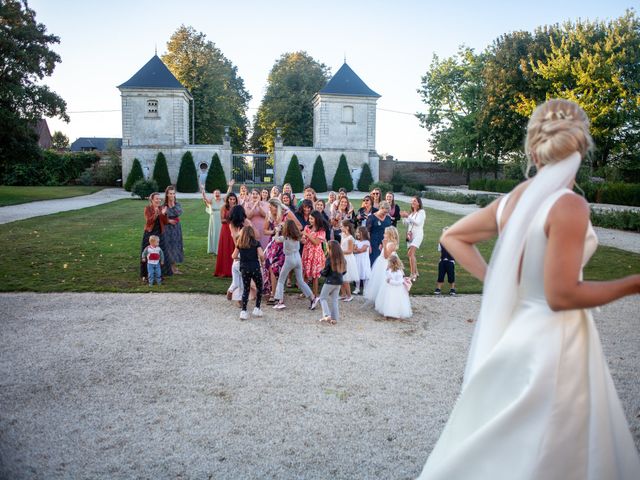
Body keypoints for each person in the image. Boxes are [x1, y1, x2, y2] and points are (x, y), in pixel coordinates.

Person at [417, 99, 640, 479]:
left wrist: (501, 282)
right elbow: (561, 295)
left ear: (533, 147)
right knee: (552, 449)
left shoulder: (514, 199)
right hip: (555, 342)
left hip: (515, 334)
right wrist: (634, 282)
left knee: (505, 443)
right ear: (581, 145)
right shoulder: (569, 205)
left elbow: (453, 237)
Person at [272, 220, 319, 310]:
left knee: (281, 280)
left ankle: (280, 301)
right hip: (297, 258)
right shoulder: (297, 236)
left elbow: (276, 240)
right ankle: (312, 298)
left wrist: (277, 231)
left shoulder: (285, 237)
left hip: (289, 259)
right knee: (301, 281)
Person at [262, 198, 300, 303]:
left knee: (276, 269)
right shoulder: (269, 215)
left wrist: (286, 229)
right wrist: (274, 231)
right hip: (273, 244)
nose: (269, 208)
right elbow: (265, 231)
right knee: (269, 267)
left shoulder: (286, 215)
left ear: (277, 207)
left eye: (271, 207)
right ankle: (273, 292)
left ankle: (276, 293)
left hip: (285, 244)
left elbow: (299, 226)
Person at [232, 226, 264, 320]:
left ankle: (244, 311)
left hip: (244, 268)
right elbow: (261, 254)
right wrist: (262, 260)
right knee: (259, 287)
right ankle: (257, 308)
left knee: (246, 289)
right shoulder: (256, 243)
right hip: (255, 268)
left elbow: (234, 256)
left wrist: (241, 258)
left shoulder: (240, 244)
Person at [363, 225, 399, 304]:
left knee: (382, 280)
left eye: (385, 233)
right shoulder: (389, 243)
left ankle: (383, 300)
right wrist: (382, 247)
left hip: (386, 264)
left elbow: (386, 256)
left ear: (390, 234)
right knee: (378, 280)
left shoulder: (392, 244)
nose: (384, 235)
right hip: (381, 262)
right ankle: (378, 298)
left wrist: (385, 245)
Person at [139, 192, 168, 283]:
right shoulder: (147, 209)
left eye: (160, 199)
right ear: (152, 200)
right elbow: (149, 221)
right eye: (157, 199)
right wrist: (156, 214)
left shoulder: (161, 208)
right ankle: (145, 275)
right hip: (149, 233)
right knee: (147, 254)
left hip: (160, 234)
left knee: (159, 254)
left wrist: (163, 214)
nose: (159, 200)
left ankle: (159, 275)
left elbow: (165, 222)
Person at [374, 254, 412, 319]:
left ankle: (396, 312)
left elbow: (400, 282)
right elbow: (387, 276)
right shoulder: (388, 270)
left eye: (389, 262)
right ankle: (387, 312)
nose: (388, 264)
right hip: (388, 288)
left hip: (396, 289)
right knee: (388, 300)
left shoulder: (399, 272)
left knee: (395, 300)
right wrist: (387, 279)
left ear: (392, 263)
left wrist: (391, 282)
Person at [318, 240, 347, 325]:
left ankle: (327, 315)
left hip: (330, 281)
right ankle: (335, 318)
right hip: (339, 282)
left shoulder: (329, 259)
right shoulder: (342, 259)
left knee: (322, 298)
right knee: (335, 300)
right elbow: (344, 271)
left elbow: (325, 272)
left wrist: (320, 270)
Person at [301, 211, 327, 298]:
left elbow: (316, 242)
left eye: (312, 218)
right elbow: (304, 240)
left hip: (316, 254)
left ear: (317, 219)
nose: (310, 220)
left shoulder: (321, 231)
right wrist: (303, 239)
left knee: (315, 276)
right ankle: (305, 292)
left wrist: (307, 235)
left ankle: (315, 295)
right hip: (307, 252)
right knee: (305, 273)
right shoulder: (307, 227)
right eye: (309, 218)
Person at [400, 196, 426, 281]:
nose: (413, 203)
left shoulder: (421, 212)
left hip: (418, 235)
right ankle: (416, 272)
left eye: (415, 201)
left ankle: (412, 274)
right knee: (411, 254)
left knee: (410, 253)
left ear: (419, 203)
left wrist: (408, 216)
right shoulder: (411, 213)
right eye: (412, 201)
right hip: (410, 236)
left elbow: (418, 223)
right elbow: (406, 223)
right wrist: (403, 216)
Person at [214, 192, 238, 277]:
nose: (232, 201)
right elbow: (222, 220)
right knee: (225, 248)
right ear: (228, 200)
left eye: (233, 199)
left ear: (236, 200)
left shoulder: (237, 208)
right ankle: (224, 270)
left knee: (233, 248)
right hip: (225, 229)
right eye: (230, 199)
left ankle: (234, 270)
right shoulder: (224, 207)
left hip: (235, 229)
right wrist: (230, 220)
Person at [162, 186, 184, 275]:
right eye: (170, 193)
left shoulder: (177, 204)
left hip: (176, 228)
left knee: (176, 245)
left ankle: (174, 268)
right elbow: (161, 217)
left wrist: (172, 204)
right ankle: (169, 268)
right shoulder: (164, 206)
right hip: (167, 228)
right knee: (168, 246)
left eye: (173, 193)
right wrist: (168, 220)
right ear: (167, 194)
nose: (172, 195)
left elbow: (179, 212)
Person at [366, 200, 392, 265]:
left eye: (386, 213)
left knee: (384, 260)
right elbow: (367, 232)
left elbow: (389, 231)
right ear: (380, 208)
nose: (385, 214)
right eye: (384, 212)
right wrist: (369, 245)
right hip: (373, 242)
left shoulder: (388, 218)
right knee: (374, 260)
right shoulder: (371, 218)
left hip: (385, 242)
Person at [201, 185, 224, 255]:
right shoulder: (212, 200)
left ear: (220, 194)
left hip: (220, 218)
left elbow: (229, 193)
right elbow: (205, 198)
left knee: (220, 232)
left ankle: (220, 248)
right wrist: (203, 190)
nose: (217, 194)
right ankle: (213, 249)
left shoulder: (223, 200)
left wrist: (230, 186)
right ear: (214, 194)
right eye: (215, 193)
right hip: (213, 218)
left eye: (218, 193)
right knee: (214, 232)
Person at [339, 220, 358, 302]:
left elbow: (350, 250)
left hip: (348, 258)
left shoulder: (350, 238)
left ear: (347, 227)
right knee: (340, 277)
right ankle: (343, 294)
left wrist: (340, 251)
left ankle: (349, 295)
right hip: (342, 257)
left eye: (341, 226)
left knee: (345, 278)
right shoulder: (343, 235)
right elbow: (340, 245)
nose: (340, 227)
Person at [435, 227, 456, 296]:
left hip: (450, 261)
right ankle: (438, 288)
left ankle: (452, 289)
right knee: (440, 275)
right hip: (443, 260)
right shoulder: (441, 242)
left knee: (451, 276)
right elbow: (440, 250)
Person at [353, 226, 371, 295]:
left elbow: (362, 250)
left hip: (364, 260)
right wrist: (356, 250)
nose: (357, 234)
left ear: (363, 233)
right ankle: (357, 288)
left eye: (358, 232)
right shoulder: (356, 241)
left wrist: (356, 249)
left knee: (364, 273)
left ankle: (365, 289)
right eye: (356, 232)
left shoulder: (366, 242)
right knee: (357, 273)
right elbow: (353, 250)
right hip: (357, 260)